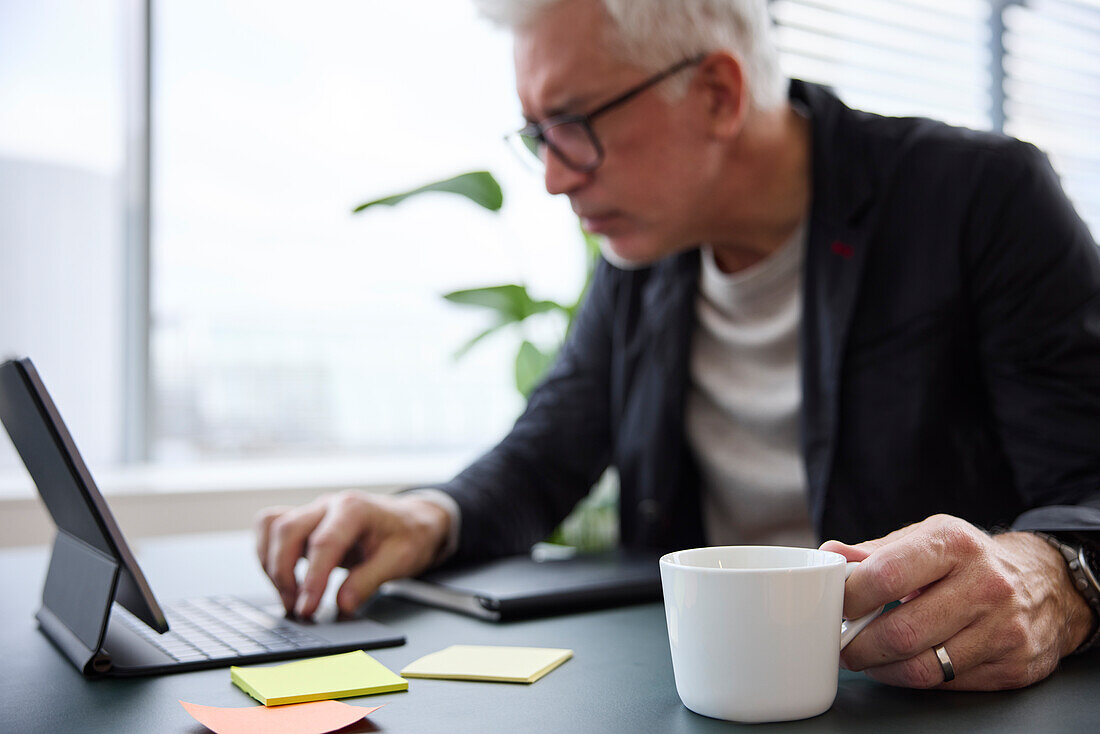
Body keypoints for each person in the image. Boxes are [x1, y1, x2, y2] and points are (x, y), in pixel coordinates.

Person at [256, 0, 1100, 692]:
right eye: (536, 133)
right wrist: (424, 516)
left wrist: (1052, 578)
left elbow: (1089, 486)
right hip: (708, 694)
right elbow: (545, 453)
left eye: (573, 122)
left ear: (718, 94)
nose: (552, 174)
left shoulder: (980, 199)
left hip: (924, 702)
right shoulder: (645, 254)